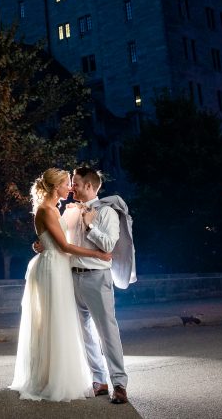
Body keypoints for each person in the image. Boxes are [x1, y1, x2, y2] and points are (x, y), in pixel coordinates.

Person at [9, 168, 112, 402]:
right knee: (53, 322)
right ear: (57, 187)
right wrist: (98, 254)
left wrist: (43, 243)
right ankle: (51, 379)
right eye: (67, 184)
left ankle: (61, 374)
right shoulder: (46, 210)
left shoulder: (55, 209)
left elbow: (55, 241)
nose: (71, 187)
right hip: (53, 268)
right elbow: (64, 247)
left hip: (59, 267)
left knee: (62, 321)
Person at [50, 166, 137, 405]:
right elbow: (60, 243)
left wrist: (90, 225)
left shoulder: (107, 212)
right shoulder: (70, 211)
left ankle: (119, 384)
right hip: (71, 277)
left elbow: (108, 246)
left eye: (76, 183)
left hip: (97, 277)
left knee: (107, 332)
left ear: (89, 186)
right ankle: (99, 380)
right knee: (85, 332)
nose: (72, 187)